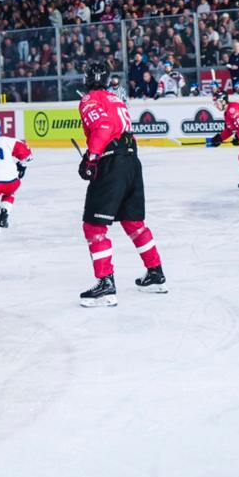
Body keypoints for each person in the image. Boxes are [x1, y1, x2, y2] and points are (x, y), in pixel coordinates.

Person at [76, 64, 165, 306]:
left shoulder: (89, 100)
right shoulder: (115, 99)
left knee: (93, 227)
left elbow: (103, 128)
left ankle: (105, 284)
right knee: (133, 222)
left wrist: (91, 157)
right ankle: (156, 273)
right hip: (132, 162)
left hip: (111, 163)